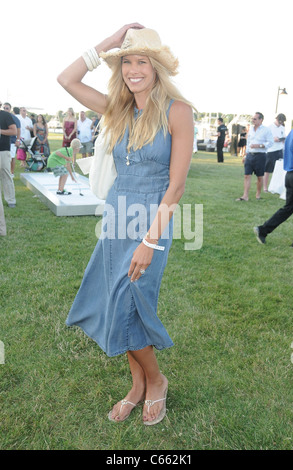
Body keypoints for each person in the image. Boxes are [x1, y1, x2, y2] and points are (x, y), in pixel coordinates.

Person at [57, 23, 194, 425]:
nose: (134, 69)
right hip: (116, 217)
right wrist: (110, 42)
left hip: (152, 217)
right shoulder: (118, 109)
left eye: (142, 61)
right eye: (127, 62)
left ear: (156, 68)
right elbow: (66, 79)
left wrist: (149, 242)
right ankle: (138, 386)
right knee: (119, 303)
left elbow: (178, 185)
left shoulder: (178, 110)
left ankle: (155, 381)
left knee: (132, 301)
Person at [254, 108, 293, 248]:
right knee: (289, 208)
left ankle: (263, 229)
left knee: (288, 208)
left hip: (290, 176)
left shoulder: (292, 132)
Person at [236, 112, 274, 201]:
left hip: (260, 156)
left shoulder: (266, 130)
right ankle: (245, 196)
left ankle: (258, 194)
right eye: (252, 118)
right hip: (250, 155)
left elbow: (271, 142)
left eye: (255, 119)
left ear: (261, 120)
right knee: (247, 175)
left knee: (260, 177)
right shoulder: (251, 130)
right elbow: (248, 143)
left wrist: (259, 145)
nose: (253, 120)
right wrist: (245, 155)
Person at [263, 113, 286, 192]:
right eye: (280, 122)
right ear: (276, 119)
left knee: (279, 170)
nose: (281, 123)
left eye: (282, 122)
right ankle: (265, 187)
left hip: (280, 149)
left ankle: (276, 187)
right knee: (268, 170)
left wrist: (283, 139)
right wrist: (273, 139)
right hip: (271, 150)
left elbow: (284, 136)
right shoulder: (269, 127)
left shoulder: (282, 128)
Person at [0, 107, 17, 208]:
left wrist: (1, 131)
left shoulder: (5, 115)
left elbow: (14, 131)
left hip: (3, 150)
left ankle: (11, 200)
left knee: (6, 174)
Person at [3, 103, 21, 177]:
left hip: (12, 141)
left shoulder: (14, 118)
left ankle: (11, 173)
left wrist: (18, 140)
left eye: (7, 108)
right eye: (4, 108)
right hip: (2, 141)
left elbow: (18, 129)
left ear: (10, 109)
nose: (5, 109)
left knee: (11, 157)